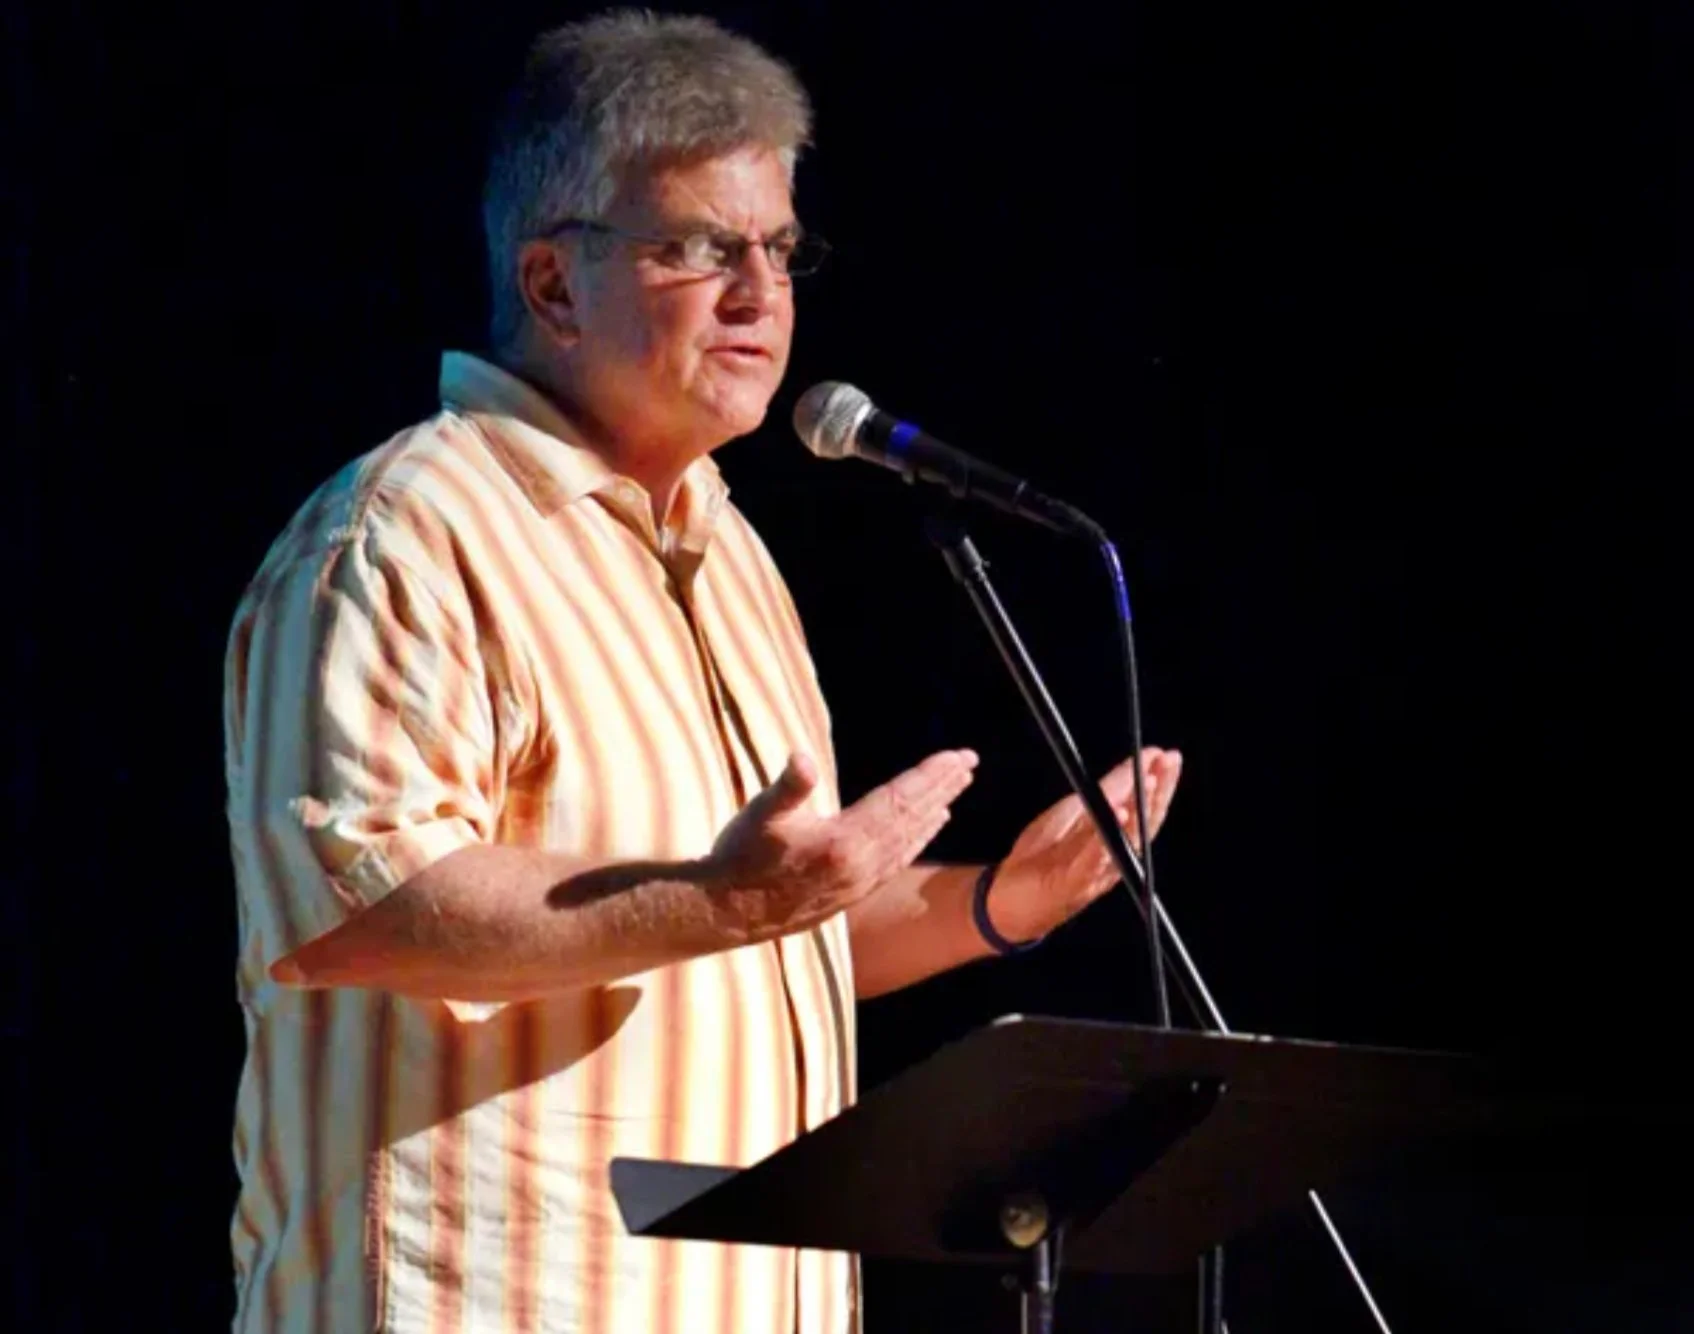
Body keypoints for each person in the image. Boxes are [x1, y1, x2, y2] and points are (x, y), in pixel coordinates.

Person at [221, 11, 1182, 1333]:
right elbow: (383, 908)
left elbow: (754, 929)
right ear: (552, 282)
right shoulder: (402, 532)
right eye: (698, 247)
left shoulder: (730, 558)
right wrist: (723, 899)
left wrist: (996, 902)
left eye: (779, 248)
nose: (760, 293)